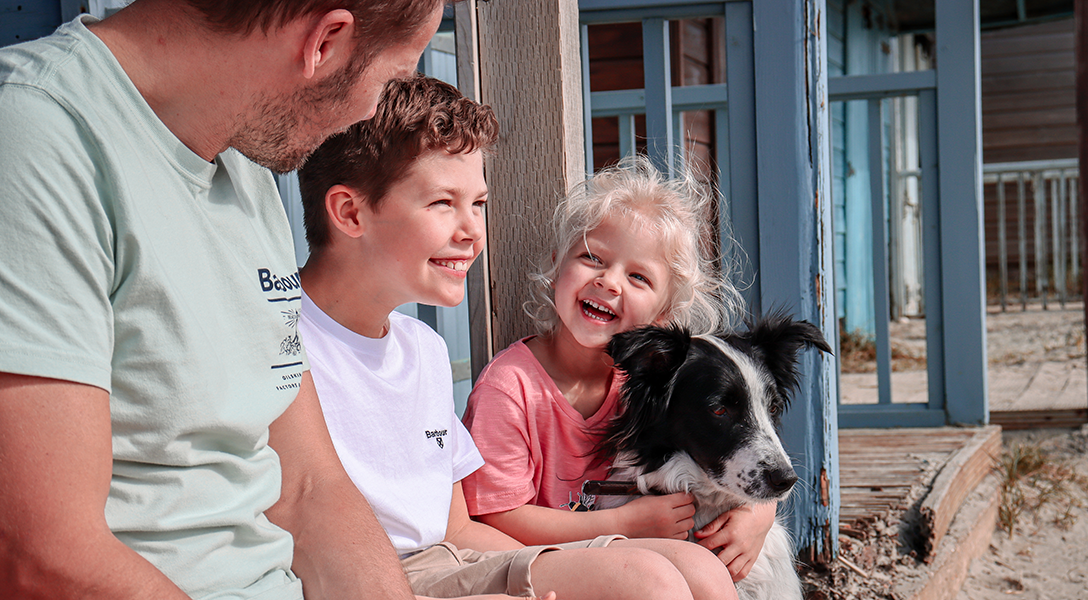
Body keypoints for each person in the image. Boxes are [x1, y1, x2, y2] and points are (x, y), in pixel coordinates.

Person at [0, 1, 454, 599]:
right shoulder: (36, 133)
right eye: (392, 79)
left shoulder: (243, 166)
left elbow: (308, 488)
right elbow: (43, 557)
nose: (371, 113)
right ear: (326, 41)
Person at [297, 74, 738, 600]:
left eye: (478, 204)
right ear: (350, 212)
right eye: (443, 203)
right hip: (371, 580)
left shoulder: (423, 348)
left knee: (695, 571)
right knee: (647, 583)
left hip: (452, 556)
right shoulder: (283, 341)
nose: (472, 231)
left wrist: (566, 566)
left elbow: (458, 529)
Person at [461, 155, 779, 583]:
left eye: (638, 277)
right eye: (593, 258)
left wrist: (758, 516)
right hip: (546, 569)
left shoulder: (654, 384)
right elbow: (496, 517)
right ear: (558, 265)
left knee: (707, 578)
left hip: (631, 560)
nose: (609, 282)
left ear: (663, 315)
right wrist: (621, 525)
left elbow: (738, 446)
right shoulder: (510, 389)